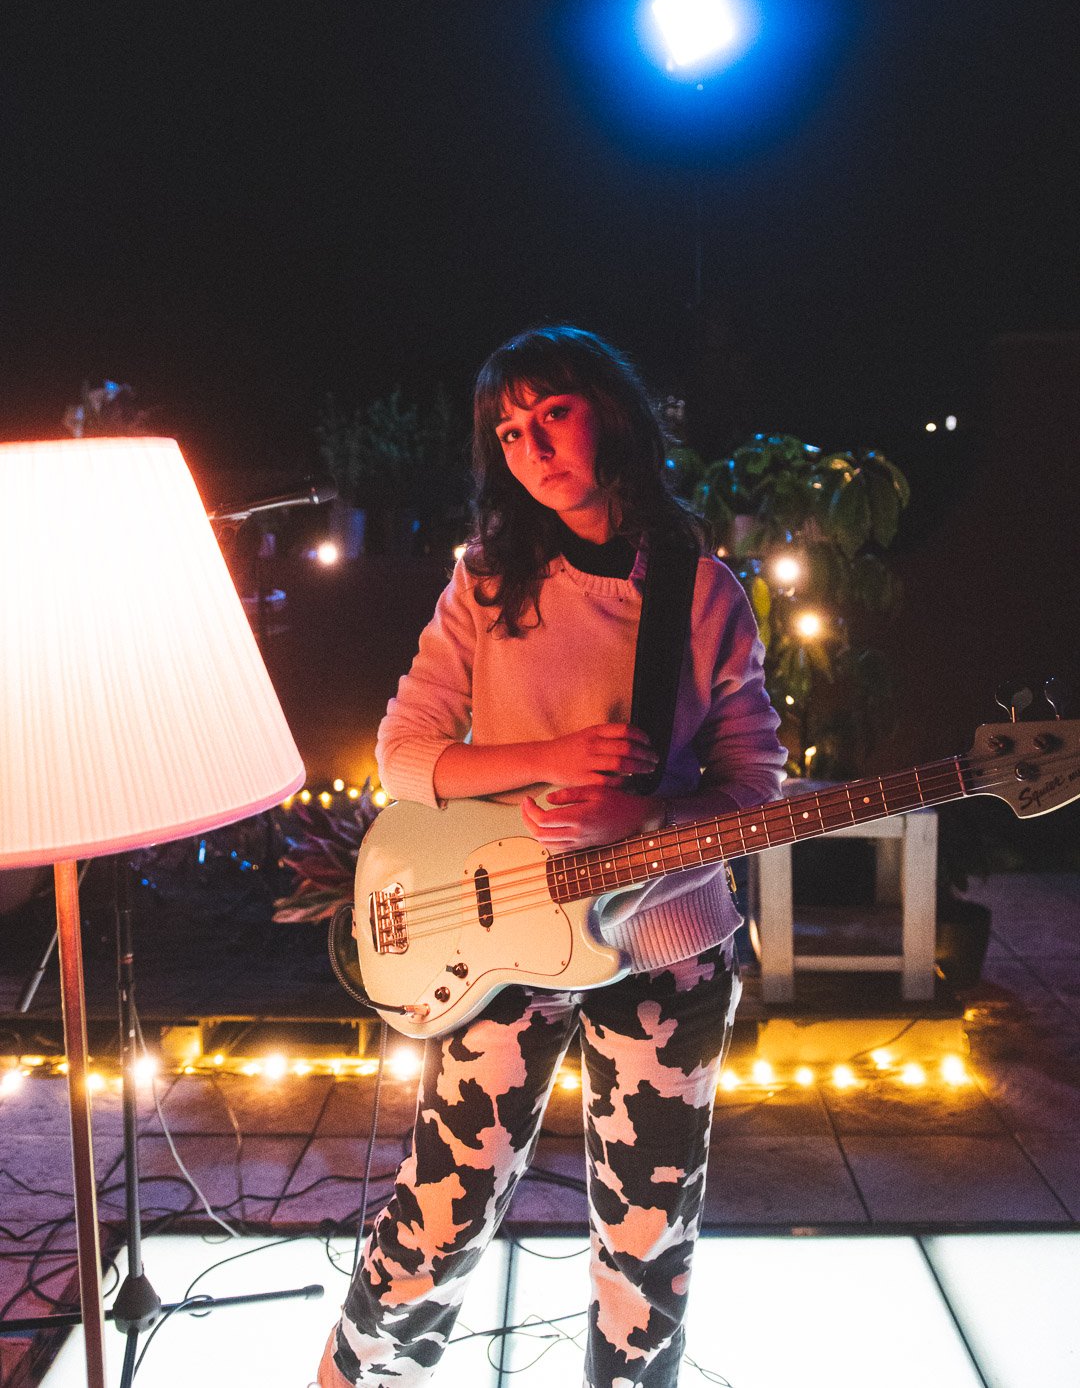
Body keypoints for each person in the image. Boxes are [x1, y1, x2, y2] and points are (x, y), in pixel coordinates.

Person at [317, 325, 785, 1388]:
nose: (531, 445)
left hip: (667, 944)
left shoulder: (703, 592)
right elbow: (404, 756)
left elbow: (754, 782)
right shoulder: (485, 584)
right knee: (443, 1207)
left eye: (552, 413)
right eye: (509, 429)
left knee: (648, 1234)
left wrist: (643, 815)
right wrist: (555, 755)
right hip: (502, 935)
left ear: (610, 410)